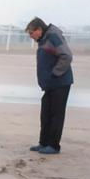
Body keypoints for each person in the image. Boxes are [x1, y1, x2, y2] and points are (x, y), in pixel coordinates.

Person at [25, 17, 74, 155]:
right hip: (50, 84)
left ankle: (53, 146)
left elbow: (67, 56)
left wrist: (54, 74)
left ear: (39, 30)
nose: (30, 36)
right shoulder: (44, 39)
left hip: (60, 83)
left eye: (31, 33)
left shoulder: (53, 36)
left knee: (56, 115)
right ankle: (44, 143)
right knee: (46, 114)